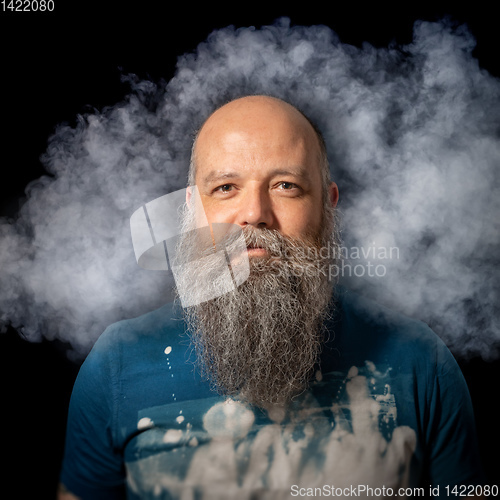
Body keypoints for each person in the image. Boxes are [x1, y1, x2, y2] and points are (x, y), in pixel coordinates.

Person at [58, 96, 485, 499]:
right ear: (192, 210)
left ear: (328, 204)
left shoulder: (419, 361)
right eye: (225, 187)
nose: (255, 212)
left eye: (286, 185)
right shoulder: (116, 364)